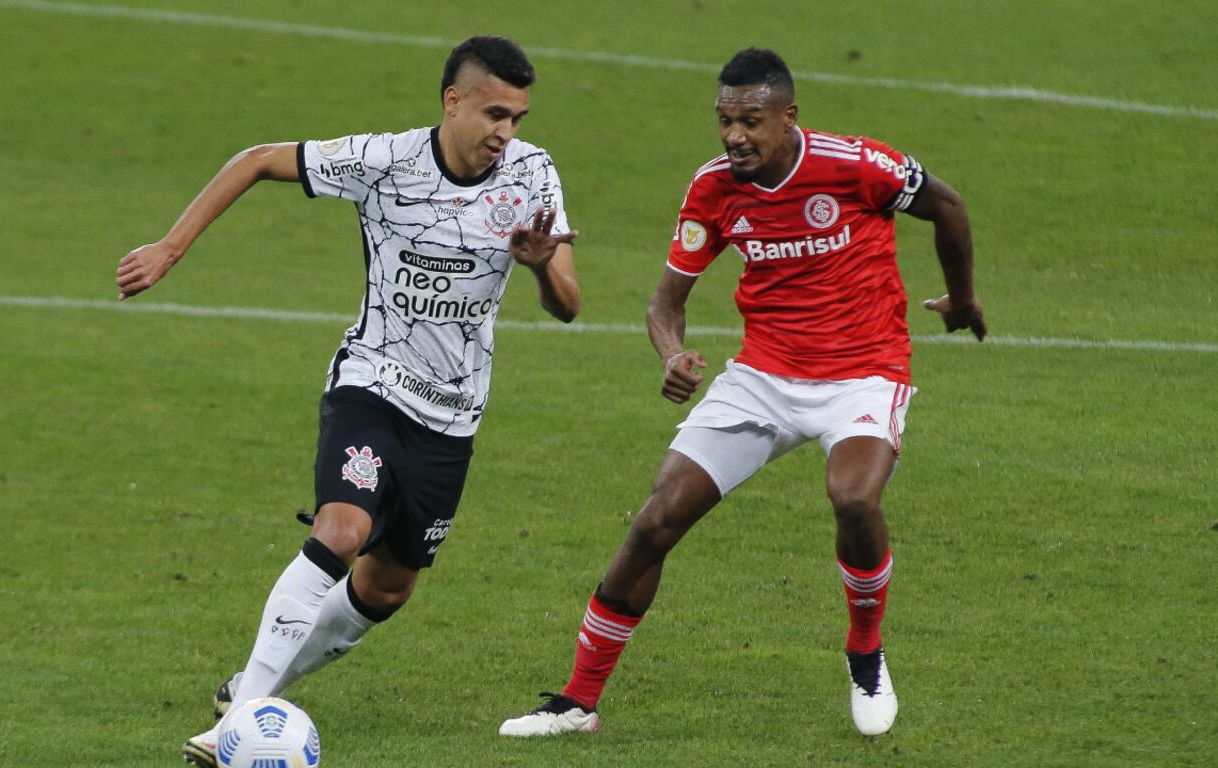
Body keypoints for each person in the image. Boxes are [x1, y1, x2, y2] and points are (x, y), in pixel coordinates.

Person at [115, 36, 579, 767]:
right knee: (339, 530)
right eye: (494, 113)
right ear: (452, 102)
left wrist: (542, 267)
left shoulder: (532, 177)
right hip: (372, 384)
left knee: (386, 588)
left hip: (454, 416)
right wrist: (172, 247)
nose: (506, 132)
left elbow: (569, 305)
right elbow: (258, 158)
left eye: (517, 117)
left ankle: (251, 686)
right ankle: (233, 726)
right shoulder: (384, 161)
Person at [499, 47, 985, 740]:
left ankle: (865, 648)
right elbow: (666, 303)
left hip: (863, 370)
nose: (734, 136)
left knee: (853, 497)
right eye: (724, 121)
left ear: (788, 118)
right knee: (655, 522)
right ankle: (578, 702)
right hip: (762, 377)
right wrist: (671, 355)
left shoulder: (857, 166)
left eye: (751, 121)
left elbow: (950, 208)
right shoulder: (713, 188)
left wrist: (963, 301)